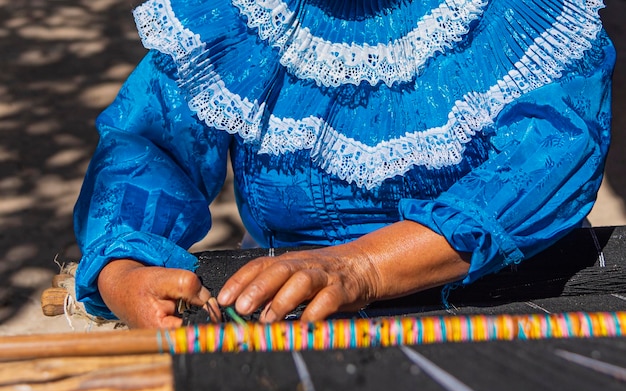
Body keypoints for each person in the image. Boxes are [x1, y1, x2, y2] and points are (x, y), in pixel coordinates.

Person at [73, 0, 615, 328]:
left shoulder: (519, 14)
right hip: (292, 314)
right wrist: (125, 271)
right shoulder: (237, 14)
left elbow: (552, 154)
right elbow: (151, 147)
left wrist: (362, 266)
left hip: (512, 304)